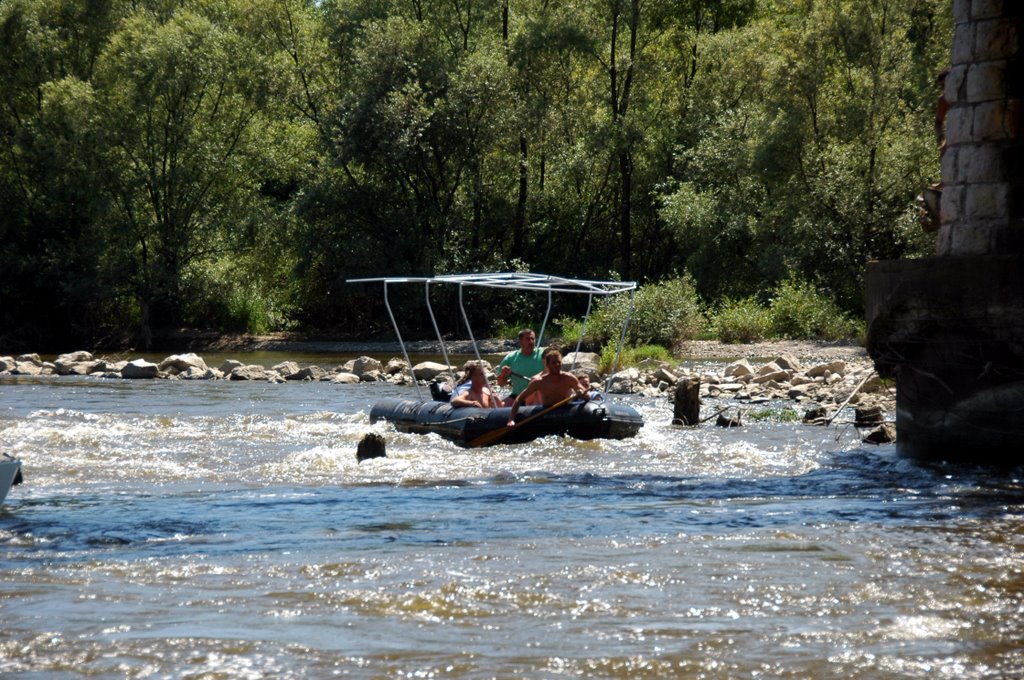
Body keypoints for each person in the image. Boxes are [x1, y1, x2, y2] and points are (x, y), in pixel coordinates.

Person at [507, 348, 587, 427]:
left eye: (559, 362)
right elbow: (519, 399)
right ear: (547, 365)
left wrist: (582, 394)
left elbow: (588, 396)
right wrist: (511, 419)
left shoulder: (570, 378)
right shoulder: (539, 381)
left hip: (566, 413)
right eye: (553, 363)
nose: (557, 365)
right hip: (547, 415)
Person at [496, 328, 545, 405]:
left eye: (533, 339)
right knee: (500, 406)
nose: (531, 342)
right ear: (520, 341)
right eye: (528, 339)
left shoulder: (543, 354)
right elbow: (500, 383)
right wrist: (503, 375)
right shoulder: (510, 358)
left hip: (539, 395)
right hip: (518, 396)